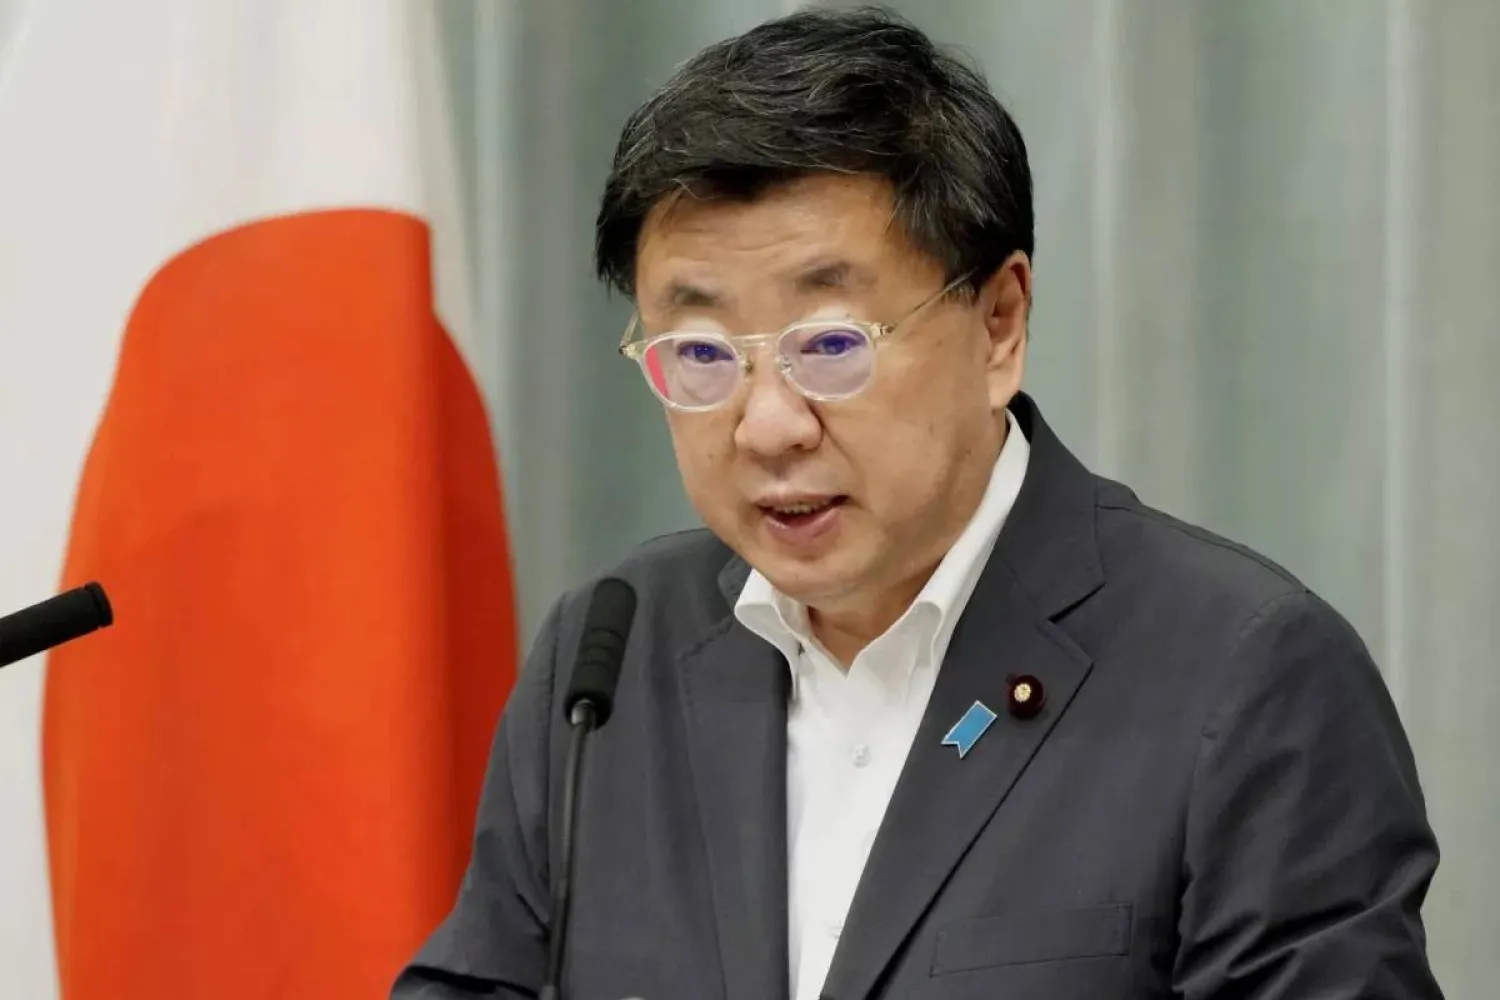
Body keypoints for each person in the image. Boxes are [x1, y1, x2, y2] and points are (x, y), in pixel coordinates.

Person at [393, 7, 1444, 999]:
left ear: (998, 324)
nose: (768, 425)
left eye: (831, 345)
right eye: (702, 354)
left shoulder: (1245, 675)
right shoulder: (614, 655)